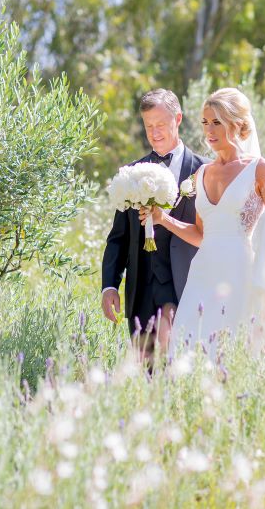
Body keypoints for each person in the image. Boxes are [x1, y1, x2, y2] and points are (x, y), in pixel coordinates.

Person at [140, 88, 265, 357]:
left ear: (237, 124)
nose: (209, 130)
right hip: (203, 272)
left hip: (239, 271)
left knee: (230, 350)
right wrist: (163, 219)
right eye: (205, 123)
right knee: (187, 349)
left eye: (217, 122)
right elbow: (200, 234)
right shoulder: (202, 173)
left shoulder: (259, 168)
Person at [101, 89, 209, 365]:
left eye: (161, 124)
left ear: (178, 119)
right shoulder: (131, 175)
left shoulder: (204, 171)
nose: (155, 132)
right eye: (149, 126)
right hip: (142, 289)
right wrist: (109, 286)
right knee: (145, 369)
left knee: (177, 364)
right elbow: (118, 239)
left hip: (186, 284)